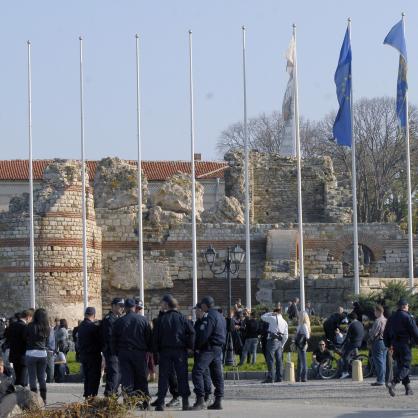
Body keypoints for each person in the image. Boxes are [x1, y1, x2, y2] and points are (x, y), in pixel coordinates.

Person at [152, 295, 195, 411]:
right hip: (180, 351)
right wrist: (190, 346)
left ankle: (161, 402)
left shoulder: (161, 319)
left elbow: (155, 337)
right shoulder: (182, 318)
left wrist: (156, 352)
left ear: (166, 305)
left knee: (163, 377)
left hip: (165, 351)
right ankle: (185, 403)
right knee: (182, 376)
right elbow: (191, 332)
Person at [112, 298, 151, 408]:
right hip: (139, 353)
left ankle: (128, 402)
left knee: (127, 378)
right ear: (134, 307)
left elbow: (113, 339)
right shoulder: (143, 320)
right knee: (141, 377)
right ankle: (145, 402)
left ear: (125, 308)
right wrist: (149, 350)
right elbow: (148, 337)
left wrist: (116, 352)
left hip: (124, 353)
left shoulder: (119, 321)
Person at [192, 296, 226, 411]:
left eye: (202, 305)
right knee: (217, 375)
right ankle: (218, 400)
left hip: (209, 348)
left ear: (205, 305)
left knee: (197, 371)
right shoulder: (220, 316)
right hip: (218, 348)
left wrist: (197, 347)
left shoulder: (209, 316)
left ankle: (200, 400)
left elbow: (205, 334)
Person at [384, 298, 418, 396]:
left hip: (395, 345)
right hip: (405, 344)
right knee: (406, 365)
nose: (408, 307)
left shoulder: (391, 317)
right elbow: (414, 331)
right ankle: (393, 383)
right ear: (404, 306)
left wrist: (388, 344)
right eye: (407, 306)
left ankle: (408, 388)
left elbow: (385, 332)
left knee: (400, 366)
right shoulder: (407, 317)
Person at [23, 308, 54, 403]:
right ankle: (44, 398)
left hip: (31, 353)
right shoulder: (47, 328)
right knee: (41, 377)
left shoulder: (30, 326)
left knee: (32, 377)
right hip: (42, 354)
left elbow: (24, 337)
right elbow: (49, 342)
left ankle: (34, 399)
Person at [77, 307, 102, 398]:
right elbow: (99, 341)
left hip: (84, 355)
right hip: (93, 356)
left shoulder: (81, 326)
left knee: (87, 377)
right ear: (94, 315)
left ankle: (87, 395)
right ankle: (92, 396)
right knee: (94, 377)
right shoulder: (93, 327)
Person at [102, 297, 124, 397]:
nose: (122, 309)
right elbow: (110, 337)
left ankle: (112, 392)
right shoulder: (110, 319)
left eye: (123, 307)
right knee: (114, 373)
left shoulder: (116, 318)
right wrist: (115, 351)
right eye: (120, 306)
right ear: (114, 306)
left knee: (118, 374)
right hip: (112, 351)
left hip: (116, 351)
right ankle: (110, 394)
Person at [260, 306, 288, 383]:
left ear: (275, 312)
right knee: (279, 361)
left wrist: (271, 313)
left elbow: (262, 317)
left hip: (272, 341)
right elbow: (286, 336)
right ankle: (279, 377)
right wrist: (282, 344)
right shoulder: (285, 322)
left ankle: (270, 377)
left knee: (270, 360)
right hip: (279, 342)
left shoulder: (272, 318)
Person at [6, 309, 33, 386]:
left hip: (14, 355)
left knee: (18, 377)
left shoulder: (12, 325)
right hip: (23, 356)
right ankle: (19, 396)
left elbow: (8, 338)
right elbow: (27, 341)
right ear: (28, 317)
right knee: (22, 381)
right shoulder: (24, 327)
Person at [193, 303, 212, 403]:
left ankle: (207, 394)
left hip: (204, 350)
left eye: (196, 310)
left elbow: (205, 337)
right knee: (203, 372)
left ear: (201, 310)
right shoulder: (198, 322)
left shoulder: (206, 321)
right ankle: (203, 394)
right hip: (198, 351)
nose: (195, 312)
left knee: (203, 372)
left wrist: (199, 347)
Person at [340, 312, 364, 379]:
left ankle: (345, 372)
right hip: (359, 342)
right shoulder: (360, 323)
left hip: (354, 343)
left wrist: (341, 344)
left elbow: (347, 337)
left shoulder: (352, 325)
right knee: (355, 356)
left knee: (345, 356)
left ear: (350, 319)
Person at [368, 304, 387, 387]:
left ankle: (380, 380)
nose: (374, 312)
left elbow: (374, 333)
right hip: (385, 342)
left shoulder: (378, 321)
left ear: (378, 311)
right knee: (383, 361)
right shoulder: (386, 320)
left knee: (378, 362)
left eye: (375, 311)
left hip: (378, 342)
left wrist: (369, 333)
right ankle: (383, 379)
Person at [295, 311, 310, 382]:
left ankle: (303, 377)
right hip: (300, 344)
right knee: (301, 361)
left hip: (302, 344)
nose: (298, 316)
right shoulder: (301, 324)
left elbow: (307, 336)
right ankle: (299, 377)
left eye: (300, 315)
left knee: (303, 362)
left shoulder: (303, 325)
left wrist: (300, 335)